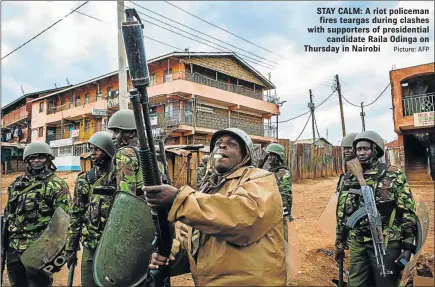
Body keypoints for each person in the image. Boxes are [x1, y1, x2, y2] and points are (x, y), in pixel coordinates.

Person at [144, 128, 286, 286]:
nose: (222, 147)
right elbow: (193, 239)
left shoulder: (259, 179)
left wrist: (178, 199)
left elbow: (244, 218)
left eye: (231, 144)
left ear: (245, 156)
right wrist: (171, 251)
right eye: (218, 144)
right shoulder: (210, 188)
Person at [335, 131, 418, 287]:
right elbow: (342, 212)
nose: (361, 153)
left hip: (386, 241)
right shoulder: (349, 177)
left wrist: (407, 246)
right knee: (356, 283)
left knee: (385, 282)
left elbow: (407, 212)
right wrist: (340, 242)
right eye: (358, 149)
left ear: (375, 150)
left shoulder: (392, 174)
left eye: (365, 149)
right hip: (358, 242)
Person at [3, 142, 71, 287]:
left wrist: (54, 253)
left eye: (40, 157)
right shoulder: (16, 184)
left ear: (48, 159)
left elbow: (63, 222)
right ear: (27, 161)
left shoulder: (57, 185)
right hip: (14, 248)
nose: (36, 161)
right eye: (32, 158)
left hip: (39, 249)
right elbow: (8, 214)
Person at [65, 131, 116, 287]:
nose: (92, 154)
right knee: (88, 282)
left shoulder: (120, 177)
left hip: (114, 244)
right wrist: (71, 247)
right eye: (91, 149)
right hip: (91, 243)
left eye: (97, 149)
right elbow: (76, 215)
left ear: (108, 151)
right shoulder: (84, 179)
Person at [107, 109, 143, 195]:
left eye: (116, 132)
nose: (113, 137)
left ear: (131, 133)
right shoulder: (155, 152)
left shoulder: (124, 153)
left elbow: (125, 195)